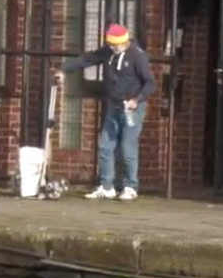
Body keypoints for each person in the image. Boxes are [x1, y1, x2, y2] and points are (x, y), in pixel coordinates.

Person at [54, 23, 155, 201]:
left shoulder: (138, 57)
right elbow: (87, 59)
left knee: (127, 147)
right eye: (110, 45)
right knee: (105, 146)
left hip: (132, 107)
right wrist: (64, 69)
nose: (112, 48)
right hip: (113, 105)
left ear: (123, 43)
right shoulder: (108, 52)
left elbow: (149, 83)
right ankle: (106, 185)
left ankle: (130, 186)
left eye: (114, 45)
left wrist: (136, 100)